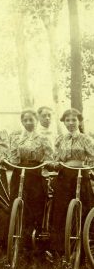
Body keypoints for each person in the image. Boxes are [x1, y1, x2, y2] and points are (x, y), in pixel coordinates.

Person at [50, 108, 94, 255]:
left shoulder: (86, 139)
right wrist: (55, 163)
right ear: (64, 122)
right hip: (64, 176)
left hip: (81, 175)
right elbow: (56, 158)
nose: (70, 123)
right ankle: (61, 250)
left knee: (82, 210)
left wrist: (88, 165)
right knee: (61, 211)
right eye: (67, 120)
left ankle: (82, 250)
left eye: (73, 120)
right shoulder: (60, 139)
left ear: (79, 121)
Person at [9, 109, 53, 251]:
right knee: (18, 204)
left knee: (36, 206)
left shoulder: (43, 137)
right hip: (20, 172)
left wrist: (45, 163)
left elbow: (49, 155)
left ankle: (37, 243)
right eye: (25, 120)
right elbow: (14, 158)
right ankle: (19, 242)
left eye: (31, 120)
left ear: (36, 120)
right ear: (22, 122)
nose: (28, 123)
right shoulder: (17, 137)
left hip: (35, 172)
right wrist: (7, 161)